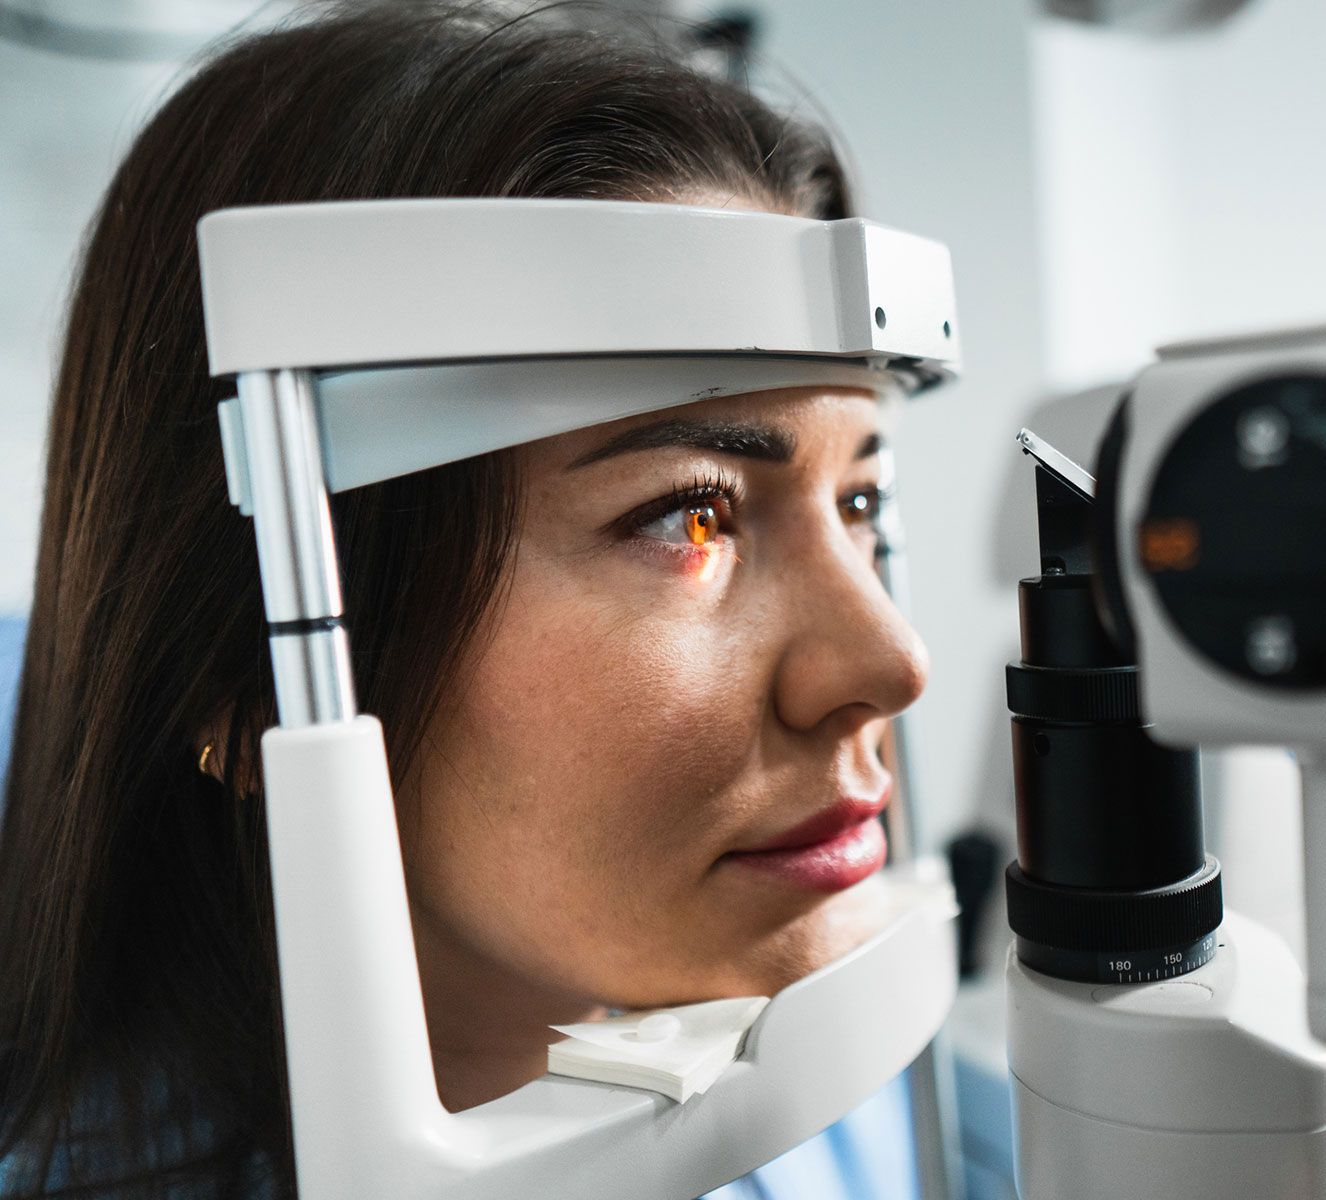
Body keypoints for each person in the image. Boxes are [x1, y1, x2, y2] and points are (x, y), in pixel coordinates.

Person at [0, 5, 932, 1196]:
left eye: (859, 504)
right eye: (690, 516)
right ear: (239, 676)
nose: (890, 661)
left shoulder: (831, 1113)